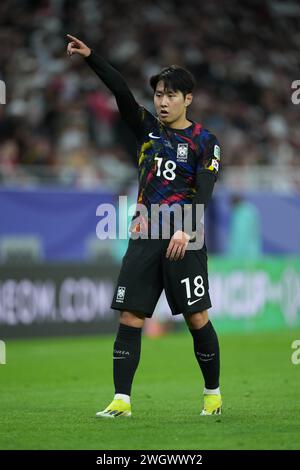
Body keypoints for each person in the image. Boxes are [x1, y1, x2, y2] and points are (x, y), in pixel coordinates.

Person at [66, 34, 222, 417]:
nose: (163, 102)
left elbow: (205, 188)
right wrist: (91, 57)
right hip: (145, 233)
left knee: (196, 316)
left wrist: (187, 228)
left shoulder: (205, 141)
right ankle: (122, 400)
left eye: (171, 95)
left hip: (185, 235)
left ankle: (212, 395)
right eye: (158, 95)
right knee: (130, 315)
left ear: (188, 98)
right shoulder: (146, 130)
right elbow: (119, 90)